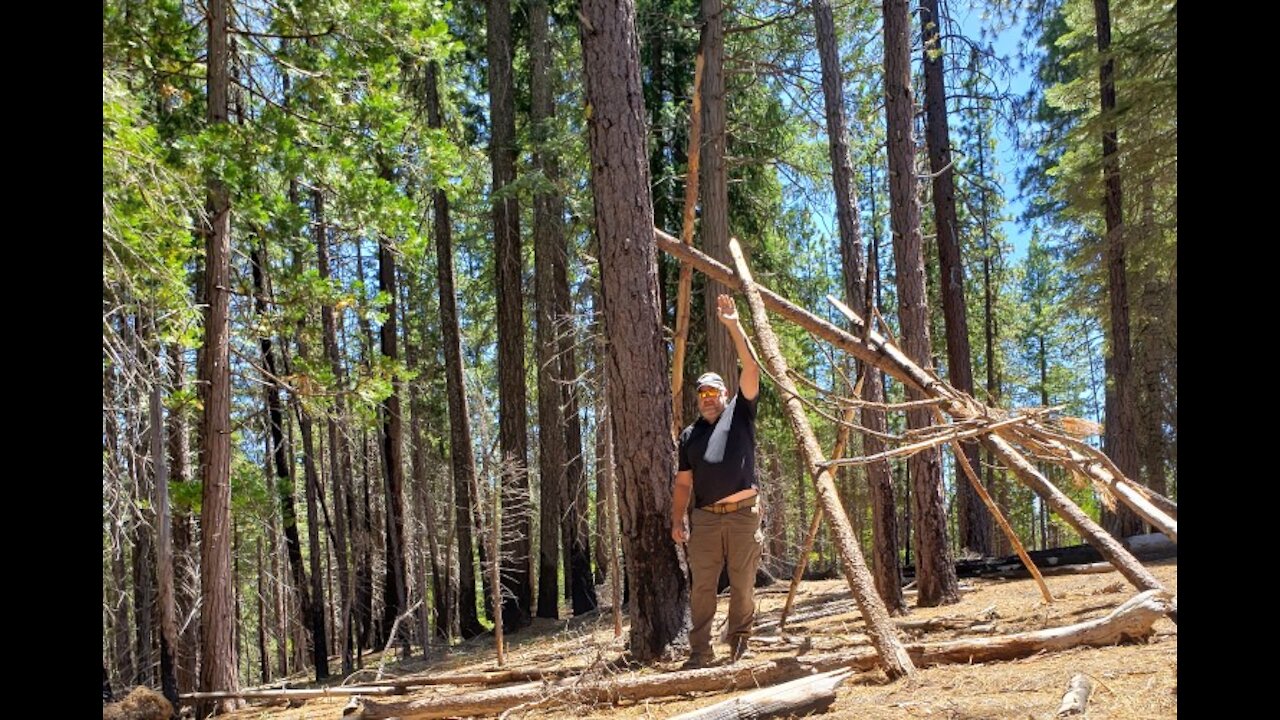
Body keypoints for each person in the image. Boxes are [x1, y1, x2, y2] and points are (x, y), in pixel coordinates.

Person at [671, 293, 762, 668]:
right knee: (703, 588)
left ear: (726, 394)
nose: (708, 398)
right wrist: (677, 519)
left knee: (742, 585)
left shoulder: (740, 413)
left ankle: (739, 645)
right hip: (705, 519)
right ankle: (699, 652)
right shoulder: (689, 436)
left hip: (743, 515)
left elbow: (752, 369)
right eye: (702, 393)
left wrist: (734, 326)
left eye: (714, 392)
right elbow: (682, 483)